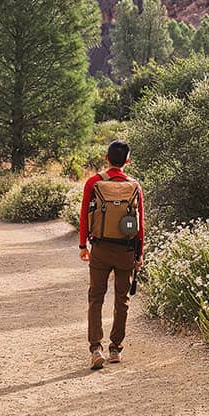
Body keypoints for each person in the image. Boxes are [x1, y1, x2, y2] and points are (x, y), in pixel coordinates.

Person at [79, 139, 145, 369]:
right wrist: (140, 253)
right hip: (126, 250)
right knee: (122, 300)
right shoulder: (134, 186)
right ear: (127, 161)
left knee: (96, 297)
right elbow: (140, 224)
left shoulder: (94, 182)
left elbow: (84, 215)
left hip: (100, 248)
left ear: (106, 158)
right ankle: (115, 349)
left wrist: (82, 246)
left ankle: (96, 348)